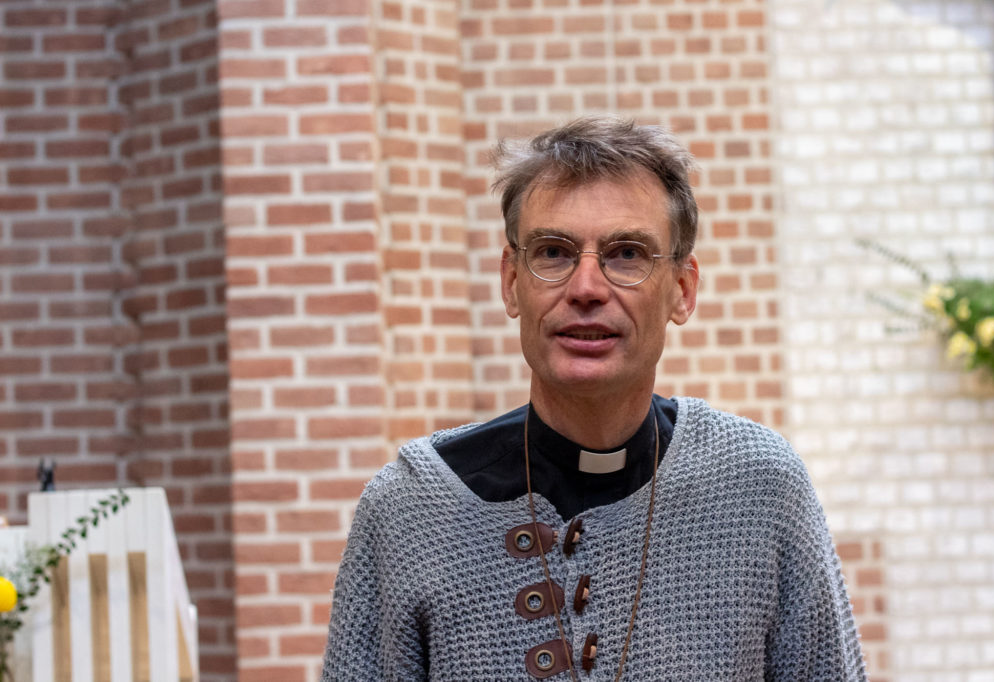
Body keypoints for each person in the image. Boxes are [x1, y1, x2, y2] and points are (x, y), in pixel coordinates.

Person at [321, 116, 866, 681]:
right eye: (553, 253)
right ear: (512, 282)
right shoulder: (409, 511)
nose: (586, 288)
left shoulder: (761, 487)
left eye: (627, 254)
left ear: (682, 290)